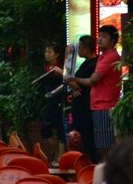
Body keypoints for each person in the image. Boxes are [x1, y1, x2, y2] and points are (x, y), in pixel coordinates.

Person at [65, 25, 122, 160]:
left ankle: (106, 175)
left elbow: (93, 80)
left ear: (113, 41)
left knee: (104, 146)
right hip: (97, 105)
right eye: (100, 36)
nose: (100, 39)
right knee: (100, 144)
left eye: (105, 37)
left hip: (104, 105)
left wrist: (73, 79)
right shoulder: (103, 57)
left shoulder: (110, 57)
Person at [70, 35, 97, 162]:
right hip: (79, 104)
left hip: (86, 105)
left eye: (80, 47)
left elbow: (90, 82)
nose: (79, 50)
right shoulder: (85, 63)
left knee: (87, 136)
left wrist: (75, 81)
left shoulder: (94, 64)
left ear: (87, 48)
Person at [39, 43, 65, 163]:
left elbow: (68, 80)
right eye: (46, 52)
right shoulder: (46, 68)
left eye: (50, 52)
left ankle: (60, 157)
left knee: (60, 129)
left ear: (57, 54)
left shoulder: (61, 68)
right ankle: (55, 152)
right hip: (49, 100)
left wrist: (61, 73)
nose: (47, 54)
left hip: (60, 101)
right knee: (45, 128)